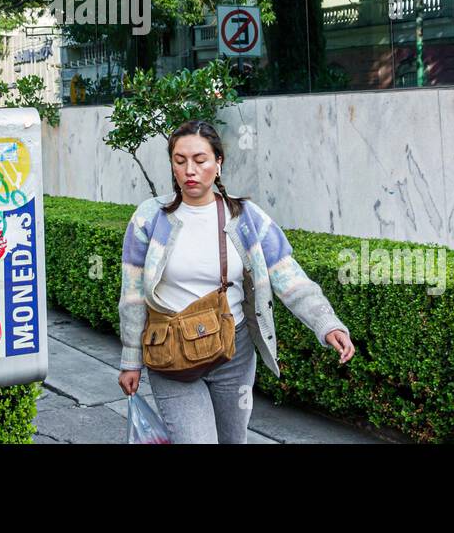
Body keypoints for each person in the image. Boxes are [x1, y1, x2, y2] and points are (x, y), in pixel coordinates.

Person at [117, 119, 354, 443]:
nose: (190, 170)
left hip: (233, 353)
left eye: (200, 160)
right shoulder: (149, 217)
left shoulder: (246, 217)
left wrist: (328, 324)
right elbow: (132, 296)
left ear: (218, 163)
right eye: (180, 160)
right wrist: (131, 361)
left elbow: (289, 275)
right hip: (171, 354)